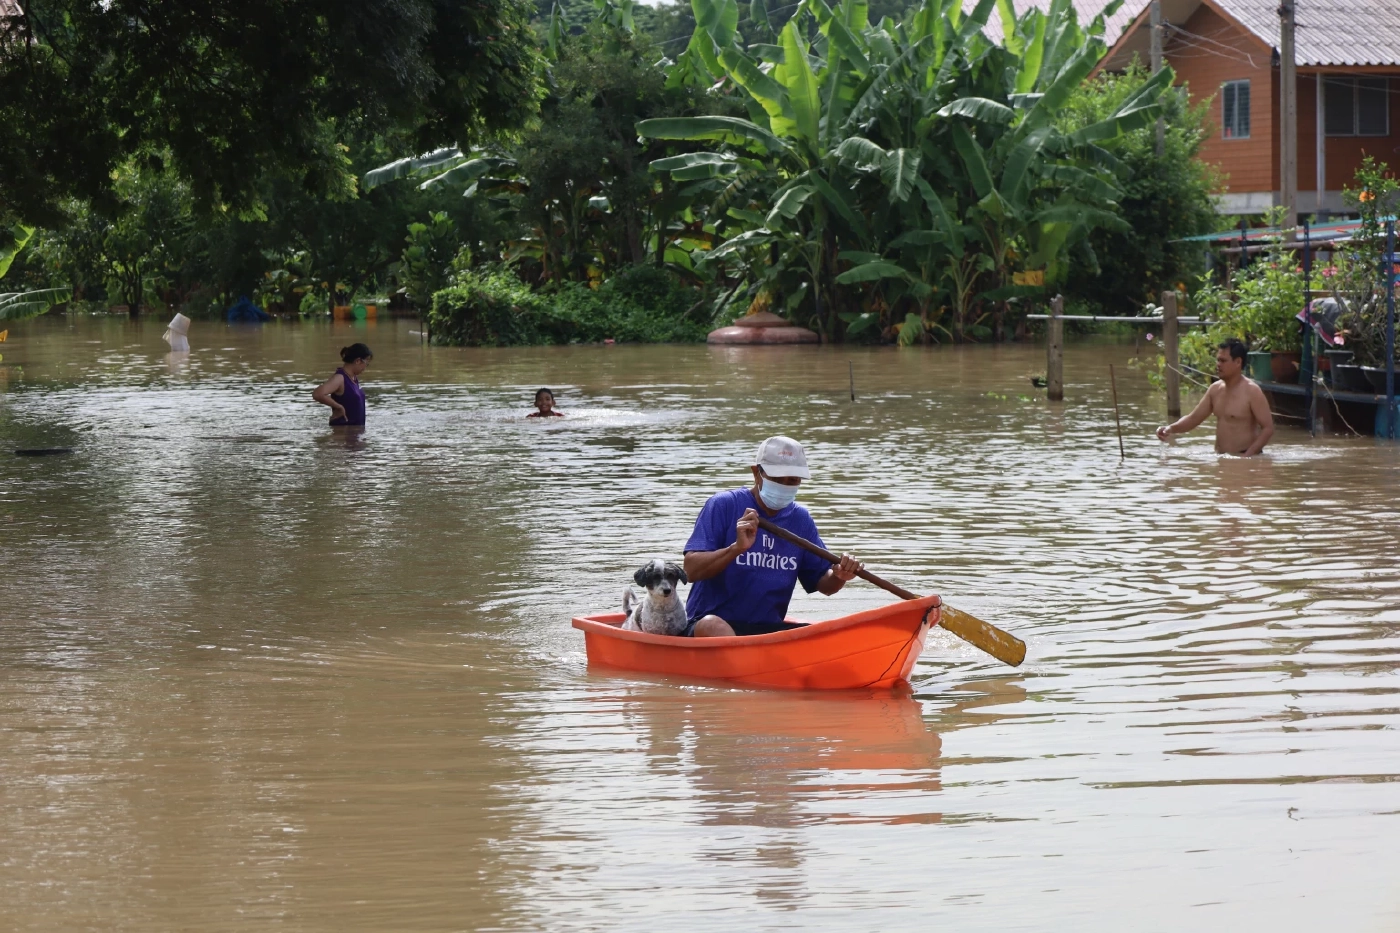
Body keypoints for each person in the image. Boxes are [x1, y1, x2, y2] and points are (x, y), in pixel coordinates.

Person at [682, 436, 864, 637]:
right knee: (712, 626)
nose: (784, 485)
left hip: (767, 629)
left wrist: (840, 575)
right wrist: (736, 548)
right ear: (756, 473)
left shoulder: (801, 520)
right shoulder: (723, 505)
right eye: (777, 479)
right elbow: (690, 570)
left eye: (792, 480)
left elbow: (824, 585)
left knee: (826, 637)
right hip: (711, 625)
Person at [1156, 338, 1274, 455]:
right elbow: (1193, 419)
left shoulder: (1252, 391)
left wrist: (1248, 456)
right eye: (1217, 360)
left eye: (1223, 361)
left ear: (1238, 362)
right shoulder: (1215, 390)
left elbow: (1268, 428)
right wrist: (1170, 428)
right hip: (1221, 457)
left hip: (1244, 457)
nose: (1218, 364)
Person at [312, 343, 371, 427]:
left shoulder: (353, 378)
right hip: (342, 434)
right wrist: (339, 407)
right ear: (358, 361)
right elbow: (317, 394)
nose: (365, 367)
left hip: (354, 434)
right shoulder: (340, 378)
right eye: (366, 363)